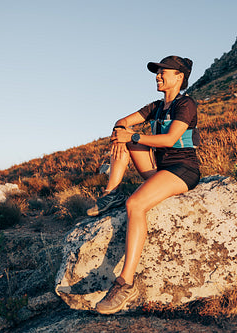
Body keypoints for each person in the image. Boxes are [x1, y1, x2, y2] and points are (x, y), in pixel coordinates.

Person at [88, 55, 201, 315]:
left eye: (164, 72)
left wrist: (134, 135)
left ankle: (125, 283)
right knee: (123, 138)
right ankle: (110, 193)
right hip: (160, 170)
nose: (158, 76)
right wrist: (121, 132)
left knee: (136, 204)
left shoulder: (186, 104)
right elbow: (123, 121)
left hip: (182, 170)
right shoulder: (156, 106)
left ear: (179, 77)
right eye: (157, 72)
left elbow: (172, 139)